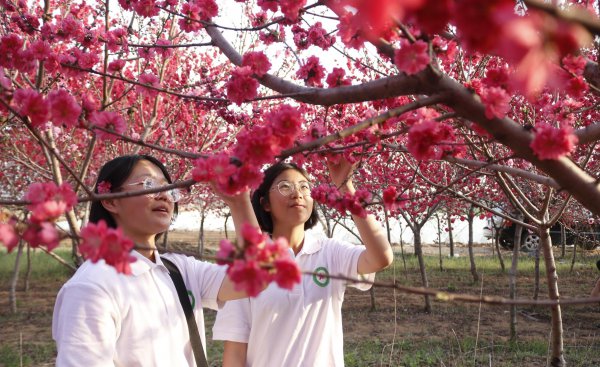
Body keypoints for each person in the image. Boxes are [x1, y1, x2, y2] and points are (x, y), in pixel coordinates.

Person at [52, 154, 258, 366]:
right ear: (111, 200)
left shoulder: (180, 271)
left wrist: (239, 202)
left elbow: (257, 276)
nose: (164, 196)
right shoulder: (91, 287)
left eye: (169, 189)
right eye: (149, 184)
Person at [212, 158, 394, 367]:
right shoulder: (247, 263)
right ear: (265, 203)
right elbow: (235, 349)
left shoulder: (330, 252)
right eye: (284, 186)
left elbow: (381, 257)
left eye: (304, 187)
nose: (296, 193)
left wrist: (346, 187)